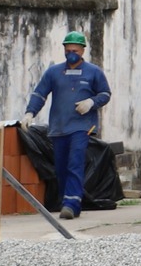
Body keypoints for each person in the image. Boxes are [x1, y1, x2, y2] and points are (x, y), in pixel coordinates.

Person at [21, 30, 110, 220]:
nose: (71, 54)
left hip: (82, 126)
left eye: (75, 51)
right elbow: (40, 93)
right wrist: (30, 113)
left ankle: (70, 203)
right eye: (68, 50)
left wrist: (91, 102)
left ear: (83, 50)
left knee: (75, 162)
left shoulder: (93, 72)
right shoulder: (54, 72)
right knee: (61, 167)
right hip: (58, 127)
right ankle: (69, 202)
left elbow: (105, 94)